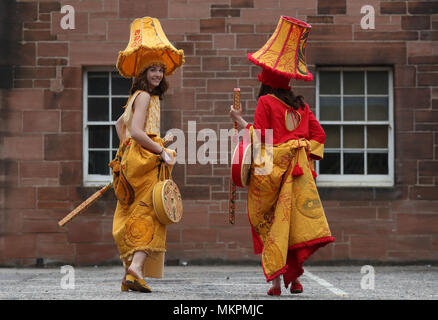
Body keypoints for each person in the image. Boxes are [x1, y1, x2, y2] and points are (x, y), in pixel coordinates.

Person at [230, 67, 335, 296]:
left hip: (271, 175)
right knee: (292, 225)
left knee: (267, 222)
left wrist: (239, 121)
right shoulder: (302, 105)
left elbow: (260, 138)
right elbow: (319, 136)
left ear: (265, 82)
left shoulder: (265, 102)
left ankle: (277, 284)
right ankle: (295, 281)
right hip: (298, 175)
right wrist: (302, 151)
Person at [110, 16, 184, 293]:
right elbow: (138, 132)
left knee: (135, 212)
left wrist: (131, 149)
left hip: (137, 158)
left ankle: (132, 273)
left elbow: (121, 126)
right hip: (144, 161)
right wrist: (160, 149)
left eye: (160, 70)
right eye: (152, 69)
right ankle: (135, 269)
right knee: (152, 211)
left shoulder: (140, 97)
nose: (157, 74)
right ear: (142, 73)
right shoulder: (143, 96)